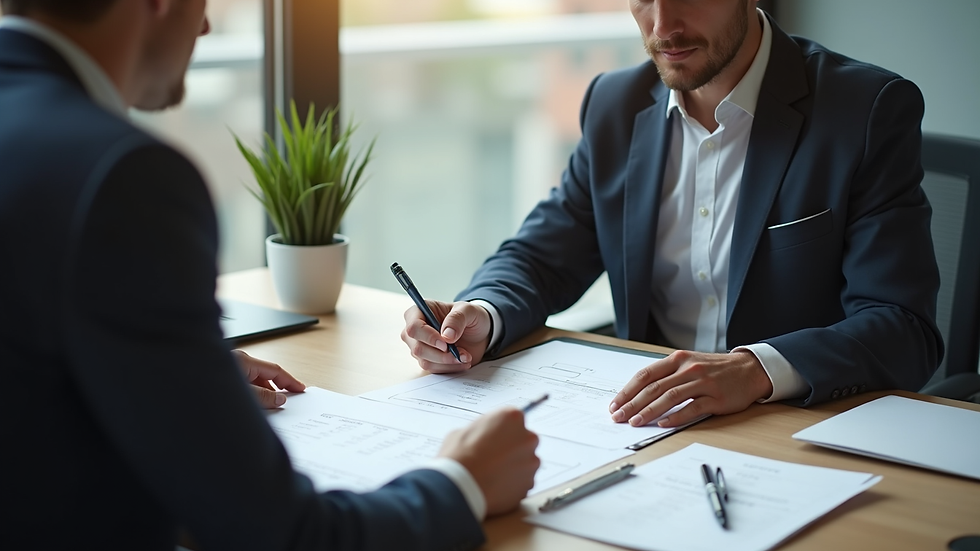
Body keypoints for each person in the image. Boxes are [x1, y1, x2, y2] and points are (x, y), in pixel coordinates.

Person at [0, 1, 540, 550]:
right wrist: (462, 483)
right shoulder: (122, 174)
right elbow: (282, 535)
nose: (206, 26)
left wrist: (182, 378)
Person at [401, 0, 942, 429]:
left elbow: (904, 327)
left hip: (791, 429)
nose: (663, 26)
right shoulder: (615, 102)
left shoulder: (865, 109)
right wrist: (482, 313)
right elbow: (541, 256)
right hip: (645, 427)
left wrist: (755, 371)